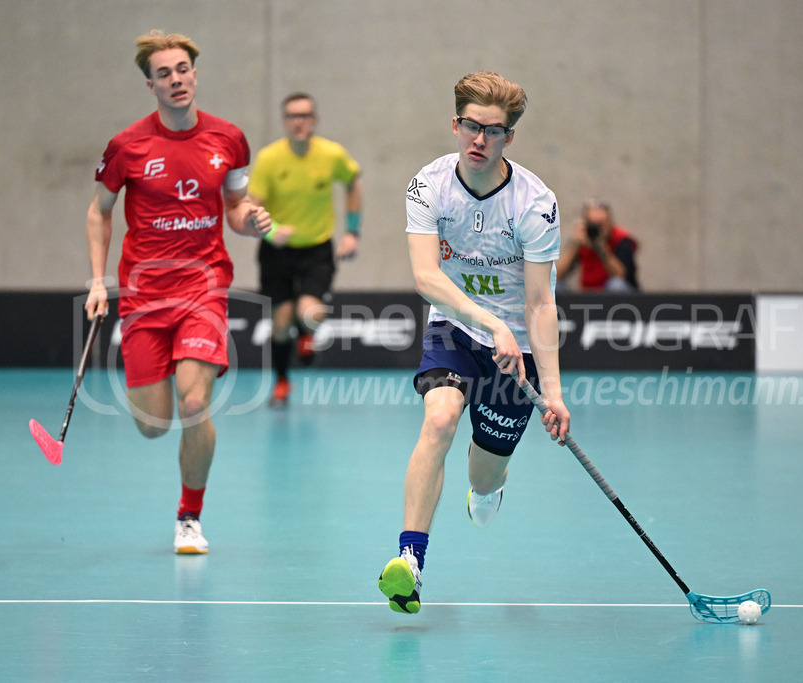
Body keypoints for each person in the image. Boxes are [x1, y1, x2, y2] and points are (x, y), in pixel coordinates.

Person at [377, 71, 571, 614]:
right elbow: (426, 277)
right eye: (471, 125)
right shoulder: (429, 185)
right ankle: (410, 561)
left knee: (483, 475)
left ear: (510, 136)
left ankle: (488, 488)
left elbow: (540, 302)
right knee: (439, 419)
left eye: (494, 130)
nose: (479, 139)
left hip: (519, 346)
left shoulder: (535, 203)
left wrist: (553, 392)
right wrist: (488, 323)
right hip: (457, 327)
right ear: (455, 124)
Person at [84, 30, 271, 554]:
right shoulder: (127, 146)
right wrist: (97, 279)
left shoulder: (228, 139)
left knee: (194, 401)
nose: (176, 79)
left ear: (195, 73)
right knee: (153, 425)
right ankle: (161, 371)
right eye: (164, 73)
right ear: (151, 84)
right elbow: (99, 212)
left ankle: (189, 516)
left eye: (183, 69)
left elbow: (235, 206)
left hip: (203, 286)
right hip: (144, 294)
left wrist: (250, 221)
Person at [248, 93, 362, 406]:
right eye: (293, 116)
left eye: (305, 116)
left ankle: (307, 333)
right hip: (276, 251)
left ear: (314, 120)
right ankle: (282, 381)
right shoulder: (269, 159)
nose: (299, 122)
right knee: (280, 322)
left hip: (316, 250)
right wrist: (271, 230)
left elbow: (353, 182)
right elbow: (252, 206)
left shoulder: (331, 154)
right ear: (284, 121)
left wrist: (352, 232)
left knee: (310, 314)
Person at [555, 199, 639, 291]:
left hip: (616, 295)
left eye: (601, 223)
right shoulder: (582, 239)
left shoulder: (620, 239)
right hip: (588, 293)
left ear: (610, 223)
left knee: (616, 285)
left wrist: (602, 248)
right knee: (553, 285)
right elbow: (556, 275)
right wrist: (574, 244)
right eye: (593, 224)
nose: (597, 229)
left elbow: (620, 275)